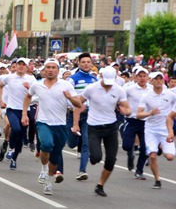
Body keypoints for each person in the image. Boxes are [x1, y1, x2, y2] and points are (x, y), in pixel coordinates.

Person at [22, 59, 81, 195]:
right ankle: (43, 170)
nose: (50, 70)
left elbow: (78, 104)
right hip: (43, 122)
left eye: (53, 67)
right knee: (47, 145)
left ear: (58, 70)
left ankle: (48, 180)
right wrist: (24, 114)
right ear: (44, 70)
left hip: (60, 125)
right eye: (48, 67)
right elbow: (27, 97)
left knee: (55, 158)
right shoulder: (37, 85)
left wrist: (69, 98)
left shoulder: (66, 85)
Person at [74, 66, 131, 197]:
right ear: (101, 76)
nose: (109, 84)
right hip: (94, 126)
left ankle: (100, 185)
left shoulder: (119, 90)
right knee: (96, 157)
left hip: (111, 127)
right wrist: (75, 123)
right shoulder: (91, 88)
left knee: (111, 160)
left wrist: (125, 111)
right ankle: (93, 159)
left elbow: (127, 109)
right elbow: (78, 104)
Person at [0, 57, 37, 170]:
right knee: (16, 128)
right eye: (19, 64)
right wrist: (0, 100)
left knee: (21, 140)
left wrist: (29, 88)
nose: (20, 66)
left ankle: (14, 158)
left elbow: (37, 95)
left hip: (25, 111)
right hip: (12, 109)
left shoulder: (31, 79)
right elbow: (0, 86)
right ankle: (10, 148)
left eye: (23, 65)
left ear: (27, 67)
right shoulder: (9, 77)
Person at [140, 72, 176, 190]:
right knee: (153, 156)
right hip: (151, 130)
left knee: (170, 157)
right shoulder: (146, 96)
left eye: (161, 78)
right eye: (156, 79)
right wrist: (149, 113)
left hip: (166, 129)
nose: (159, 81)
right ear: (151, 81)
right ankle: (157, 180)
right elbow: (138, 114)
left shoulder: (170, 95)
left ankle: (161, 146)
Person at [67, 52, 99, 181]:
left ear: (91, 64)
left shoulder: (95, 80)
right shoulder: (72, 79)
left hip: (88, 115)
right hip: (72, 114)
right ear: (79, 63)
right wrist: (75, 104)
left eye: (88, 62)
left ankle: (82, 170)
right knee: (71, 143)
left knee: (86, 143)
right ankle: (75, 137)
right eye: (83, 62)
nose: (86, 64)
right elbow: (67, 97)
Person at [121, 67, 150, 178]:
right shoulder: (129, 89)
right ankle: (130, 154)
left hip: (146, 122)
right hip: (132, 120)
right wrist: (123, 109)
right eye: (140, 76)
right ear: (135, 77)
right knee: (126, 145)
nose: (142, 78)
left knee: (145, 148)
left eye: (144, 76)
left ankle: (139, 170)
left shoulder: (151, 89)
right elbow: (120, 100)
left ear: (148, 77)